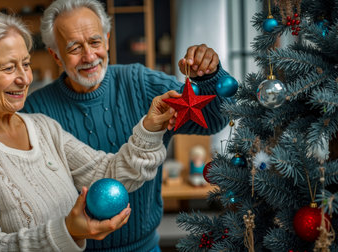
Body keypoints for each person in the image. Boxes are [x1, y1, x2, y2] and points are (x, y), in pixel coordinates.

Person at [0, 11, 180, 252]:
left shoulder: (42, 127)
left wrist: (150, 128)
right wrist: (67, 232)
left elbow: (108, 173)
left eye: (25, 64)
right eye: (8, 68)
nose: (24, 78)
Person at [22, 0, 233, 251]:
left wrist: (210, 76)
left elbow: (215, 119)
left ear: (107, 39)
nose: (89, 56)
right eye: (74, 47)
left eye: (95, 41)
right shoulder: (34, 110)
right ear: (56, 55)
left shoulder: (140, 83)